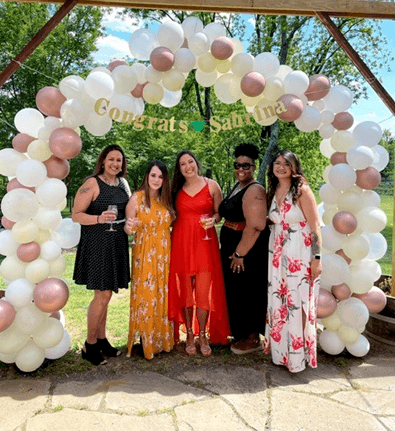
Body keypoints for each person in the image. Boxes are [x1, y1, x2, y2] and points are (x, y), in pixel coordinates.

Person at [72, 144, 131, 366]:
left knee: (108, 295)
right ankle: (89, 345)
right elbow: (76, 215)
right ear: (103, 160)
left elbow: (129, 210)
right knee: (102, 295)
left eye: (119, 160)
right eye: (112, 159)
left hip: (117, 243)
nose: (116, 164)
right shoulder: (92, 183)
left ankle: (102, 339)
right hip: (97, 244)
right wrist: (98, 219)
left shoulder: (123, 184)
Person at [264, 149, 322, 373]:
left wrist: (317, 258)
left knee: (298, 302)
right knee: (280, 302)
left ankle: (299, 357)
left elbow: (316, 226)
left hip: (300, 252)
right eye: (277, 163)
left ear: (294, 167)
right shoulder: (275, 189)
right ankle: (282, 354)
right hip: (277, 253)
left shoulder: (302, 191)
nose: (280, 167)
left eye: (285, 163)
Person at [168, 150, 230, 357]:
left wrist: (215, 219)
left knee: (204, 290)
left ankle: (203, 334)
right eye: (183, 164)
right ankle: (190, 335)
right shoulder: (175, 189)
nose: (188, 166)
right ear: (179, 169)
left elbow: (219, 213)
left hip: (205, 243)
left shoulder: (212, 185)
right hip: (182, 243)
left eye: (190, 162)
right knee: (186, 290)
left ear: (196, 163)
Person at [219, 143, 269, 354]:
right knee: (236, 290)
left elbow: (256, 225)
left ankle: (251, 338)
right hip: (233, 244)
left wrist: (240, 253)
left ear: (254, 167)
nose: (241, 169)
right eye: (237, 165)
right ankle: (240, 332)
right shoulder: (238, 186)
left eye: (246, 166)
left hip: (246, 250)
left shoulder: (255, 189)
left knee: (248, 291)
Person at [124, 160, 174, 360]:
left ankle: (162, 338)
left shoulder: (166, 199)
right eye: (153, 175)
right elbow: (128, 227)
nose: (156, 180)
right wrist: (130, 226)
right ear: (147, 176)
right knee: (147, 294)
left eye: (160, 176)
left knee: (162, 294)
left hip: (165, 253)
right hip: (144, 253)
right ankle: (146, 339)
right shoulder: (136, 198)